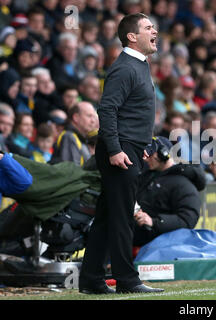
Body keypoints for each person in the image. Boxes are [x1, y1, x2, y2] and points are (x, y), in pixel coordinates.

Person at [79, 13, 163, 295]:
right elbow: (108, 110)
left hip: (130, 148)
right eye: (148, 27)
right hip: (120, 150)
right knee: (122, 217)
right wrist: (116, 149)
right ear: (132, 36)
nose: (155, 31)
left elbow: (131, 112)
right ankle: (127, 279)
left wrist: (142, 145)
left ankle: (91, 279)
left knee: (107, 216)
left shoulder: (139, 65)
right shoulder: (125, 67)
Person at [133, 136, 206, 246]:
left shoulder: (183, 184)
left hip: (161, 247)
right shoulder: (147, 177)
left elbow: (187, 219)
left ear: (164, 154)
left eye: (150, 154)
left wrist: (154, 222)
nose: (146, 159)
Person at [52, 102, 97, 166]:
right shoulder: (69, 137)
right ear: (76, 117)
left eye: (93, 117)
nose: (93, 121)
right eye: (89, 116)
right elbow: (72, 171)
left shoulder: (79, 138)